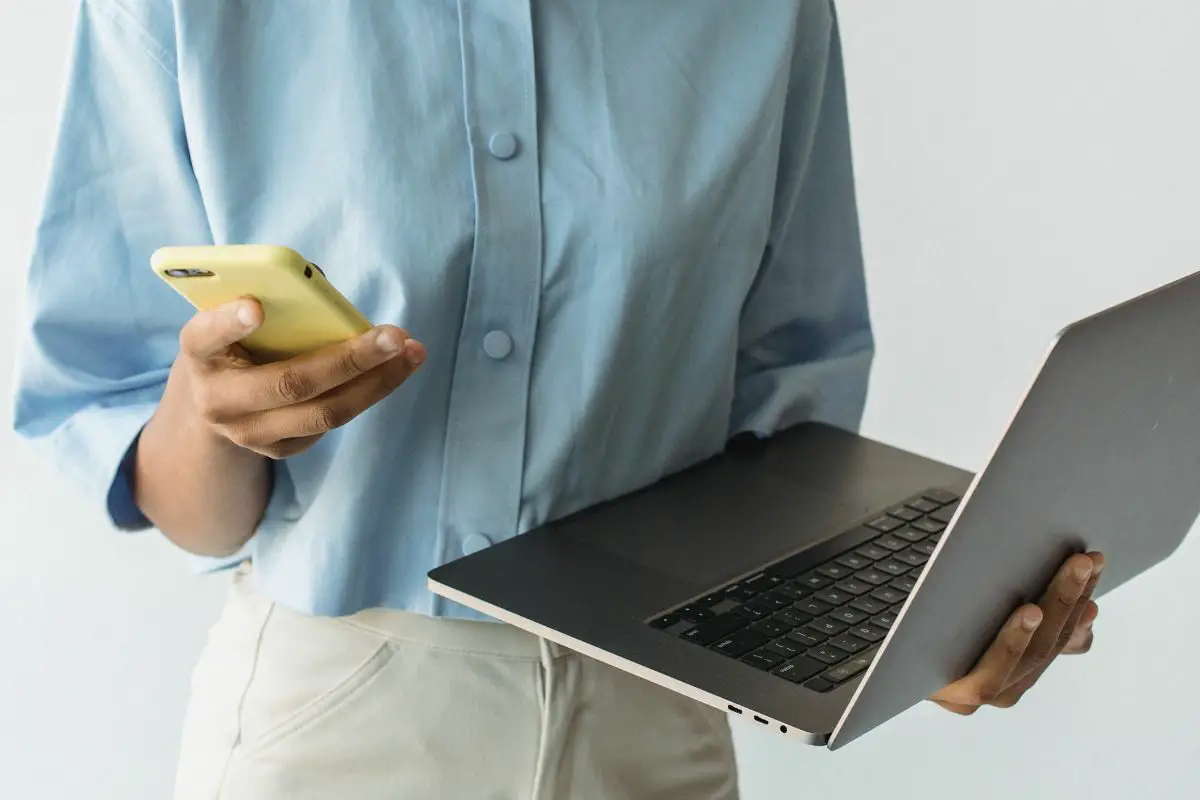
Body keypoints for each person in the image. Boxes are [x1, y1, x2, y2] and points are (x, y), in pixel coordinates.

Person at [13, 1, 1102, 798]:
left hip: (657, 722)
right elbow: (163, 480)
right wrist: (210, 418)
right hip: (334, 719)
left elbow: (789, 412)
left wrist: (909, 640)